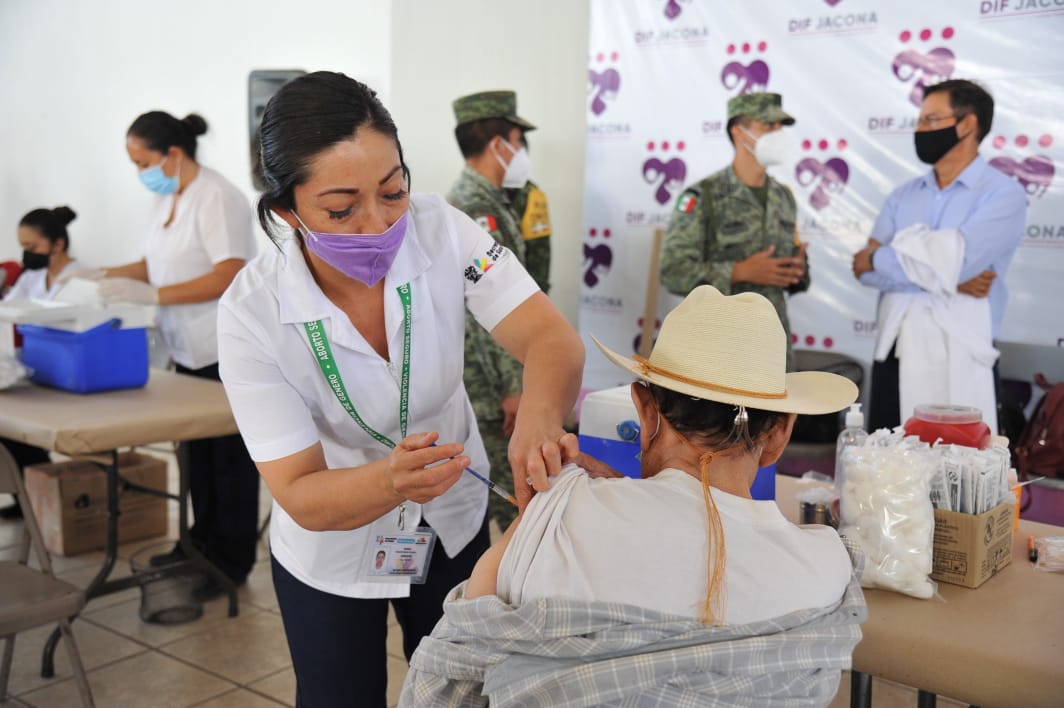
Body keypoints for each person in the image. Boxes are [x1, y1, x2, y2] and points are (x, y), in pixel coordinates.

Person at [217, 71, 583, 707]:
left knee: (467, 688)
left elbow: (551, 340)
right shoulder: (251, 314)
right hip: (333, 544)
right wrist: (389, 482)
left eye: (392, 191)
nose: (380, 223)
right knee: (341, 694)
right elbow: (300, 492)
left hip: (451, 518)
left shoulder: (444, 229)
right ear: (286, 211)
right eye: (340, 208)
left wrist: (539, 421)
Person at [401, 286, 865, 706]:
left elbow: (450, 669)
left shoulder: (558, 519)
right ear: (780, 433)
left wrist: (556, 502)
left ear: (644, 410)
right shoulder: (828, 570)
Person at [80, 110, 261, 598]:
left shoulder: (218, 198)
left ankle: (229, 563)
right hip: (187, 349)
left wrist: (155, 296)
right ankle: (196, 545)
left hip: (225, 350)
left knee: (229, 465)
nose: (141, 172)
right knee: (195, 459)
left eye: (142, 161)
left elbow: (229, 273)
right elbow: (152, 262)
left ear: (173, 154)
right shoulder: (169, 198)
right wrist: (97, 275)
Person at [852, 79, 1027, 433]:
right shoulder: (903, 195)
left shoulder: (1003, 194)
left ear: (967, 125)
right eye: (919, 121)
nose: (919, 130)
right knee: (885, 468)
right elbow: (862, 266)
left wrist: (887, 257)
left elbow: (958, 263)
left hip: (961, 354)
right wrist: (945, 278)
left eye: (931, 120)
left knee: (955, 472)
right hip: (896, 350)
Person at [447, 89, 544, 529]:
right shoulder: (476, 208)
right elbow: (486, 310)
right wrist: (513, 384)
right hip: (488, 384)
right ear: (498, 145)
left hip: (490, 378)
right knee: (510, 499)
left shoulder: (494, 201)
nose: (522, 152)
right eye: (518, 141)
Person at [660, 92, 809, 371]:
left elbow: (788, 265)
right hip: (719, 351)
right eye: (768, 125)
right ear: (738, 132)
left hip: (773, 351)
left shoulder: (784, 197)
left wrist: (798, 270)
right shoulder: (703, 196)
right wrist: (739, 272)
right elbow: (673, 271)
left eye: (781, 127)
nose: (778, 133)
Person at [0, 206, 80, 519]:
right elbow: (7, 310)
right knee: (11, 430)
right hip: (35, 370)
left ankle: (46, 498)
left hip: (69, 374)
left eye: (32, 248)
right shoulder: (32, 277)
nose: (26, 255)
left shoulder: (83, 278)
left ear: (57, 244)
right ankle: (27, 497)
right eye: (23, 248)